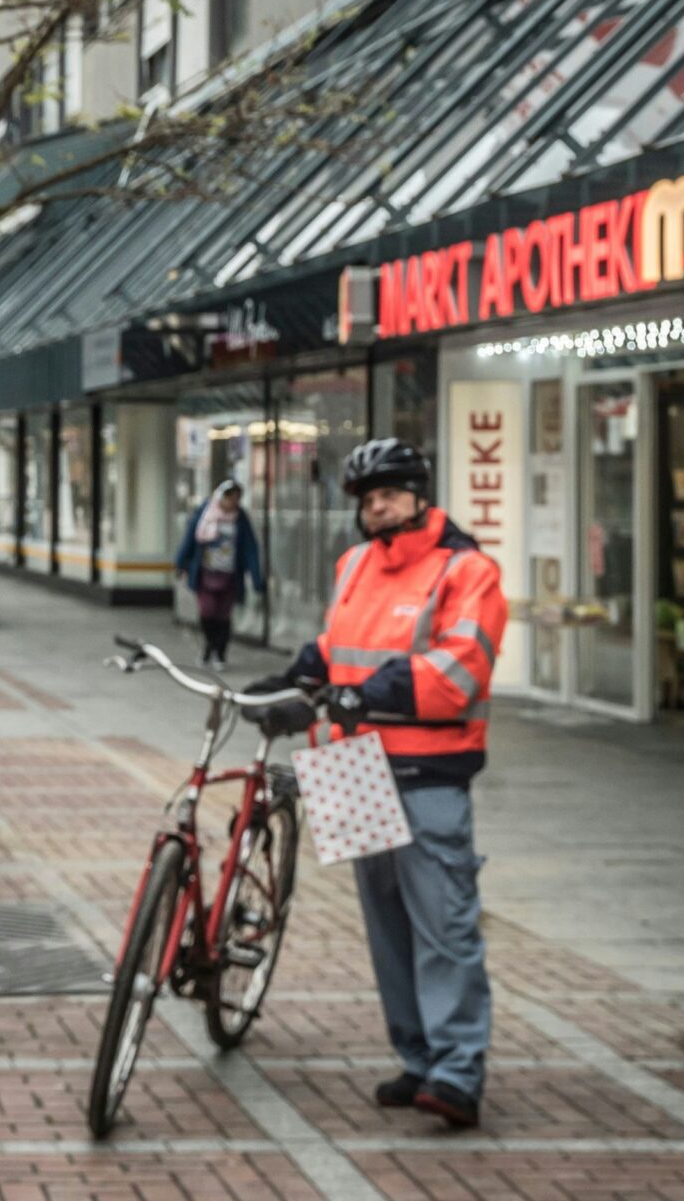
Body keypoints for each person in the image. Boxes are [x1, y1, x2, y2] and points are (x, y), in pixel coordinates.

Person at [249, 438, 504, 1130]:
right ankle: (418, 1058)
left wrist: (365, 692)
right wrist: (292, 680)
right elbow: (336, 646)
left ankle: (456, 1072)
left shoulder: (467, 570)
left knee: (443, 924)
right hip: (350, 766)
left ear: (420, 495)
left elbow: (459, 671)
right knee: (387, 927)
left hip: (425, 772)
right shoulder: (356, 562)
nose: (377, 508)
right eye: (368, 499)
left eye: (389, 494)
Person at [174, 477, 262, 669]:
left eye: (237, 499)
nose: (233, 502)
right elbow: (190, 539)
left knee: (223, 614)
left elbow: (250, 548)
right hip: (206, 573)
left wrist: (256, 577)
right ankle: (209, 645)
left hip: (230, 575)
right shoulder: (204, 513)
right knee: (207, 611)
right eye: (230, 498)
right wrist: (180, 563)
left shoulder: (240, 518)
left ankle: (219, 652)